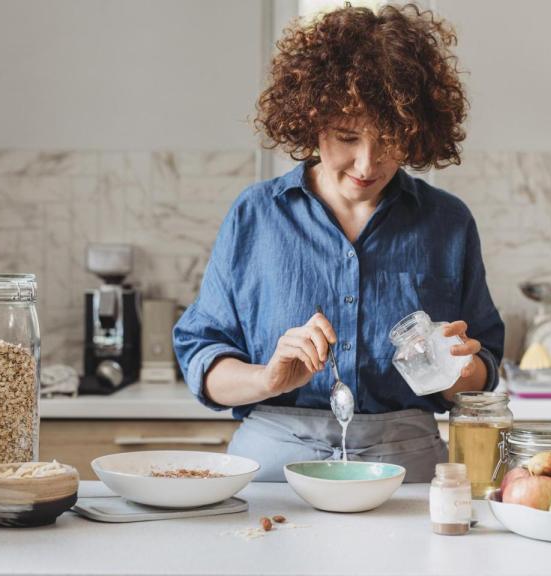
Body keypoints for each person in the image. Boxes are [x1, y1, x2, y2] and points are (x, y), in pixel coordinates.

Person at [174, 3, 503, 482]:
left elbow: (484, 369)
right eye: (347, 137)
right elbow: (203, 357)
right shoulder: (257, 215)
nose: (367, 164)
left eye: (389, 139)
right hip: (273, 459)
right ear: (311, 121)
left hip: (407, 458)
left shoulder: (447, 222)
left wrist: (464, 370)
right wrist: (266, 377)